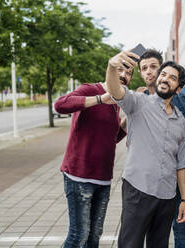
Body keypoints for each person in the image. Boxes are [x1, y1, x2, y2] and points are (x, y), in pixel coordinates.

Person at [106, 50, 185, 248]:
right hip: (138, 189)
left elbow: (181, 165)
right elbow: (115, 90)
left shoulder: (181, 122)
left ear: (178, 88)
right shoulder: (139, 102)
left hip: (167, 196)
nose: (165, 78)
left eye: (172, 77)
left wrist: (184, 200)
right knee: (130, 244)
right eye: (163, 74)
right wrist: (111, 66)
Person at [54, 66, 132, 247]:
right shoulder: (90, 89)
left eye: (129, 73)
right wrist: (99, 99)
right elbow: (60, 104)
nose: (123, 76)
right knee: (78, 235)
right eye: (120, 70)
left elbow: (111, 138)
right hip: (79, 176)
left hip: (103, 179)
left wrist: (127, 121)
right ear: (109, 71)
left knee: (94, 235)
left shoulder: (116, 102)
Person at [135, 49, 185, 248]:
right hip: (154, 175)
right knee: (153, 226)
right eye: (145, 68)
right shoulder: (143, 99)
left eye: (155, 67)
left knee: (180, 221)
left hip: (181, 170)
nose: (151, 72)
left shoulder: (184, 94)